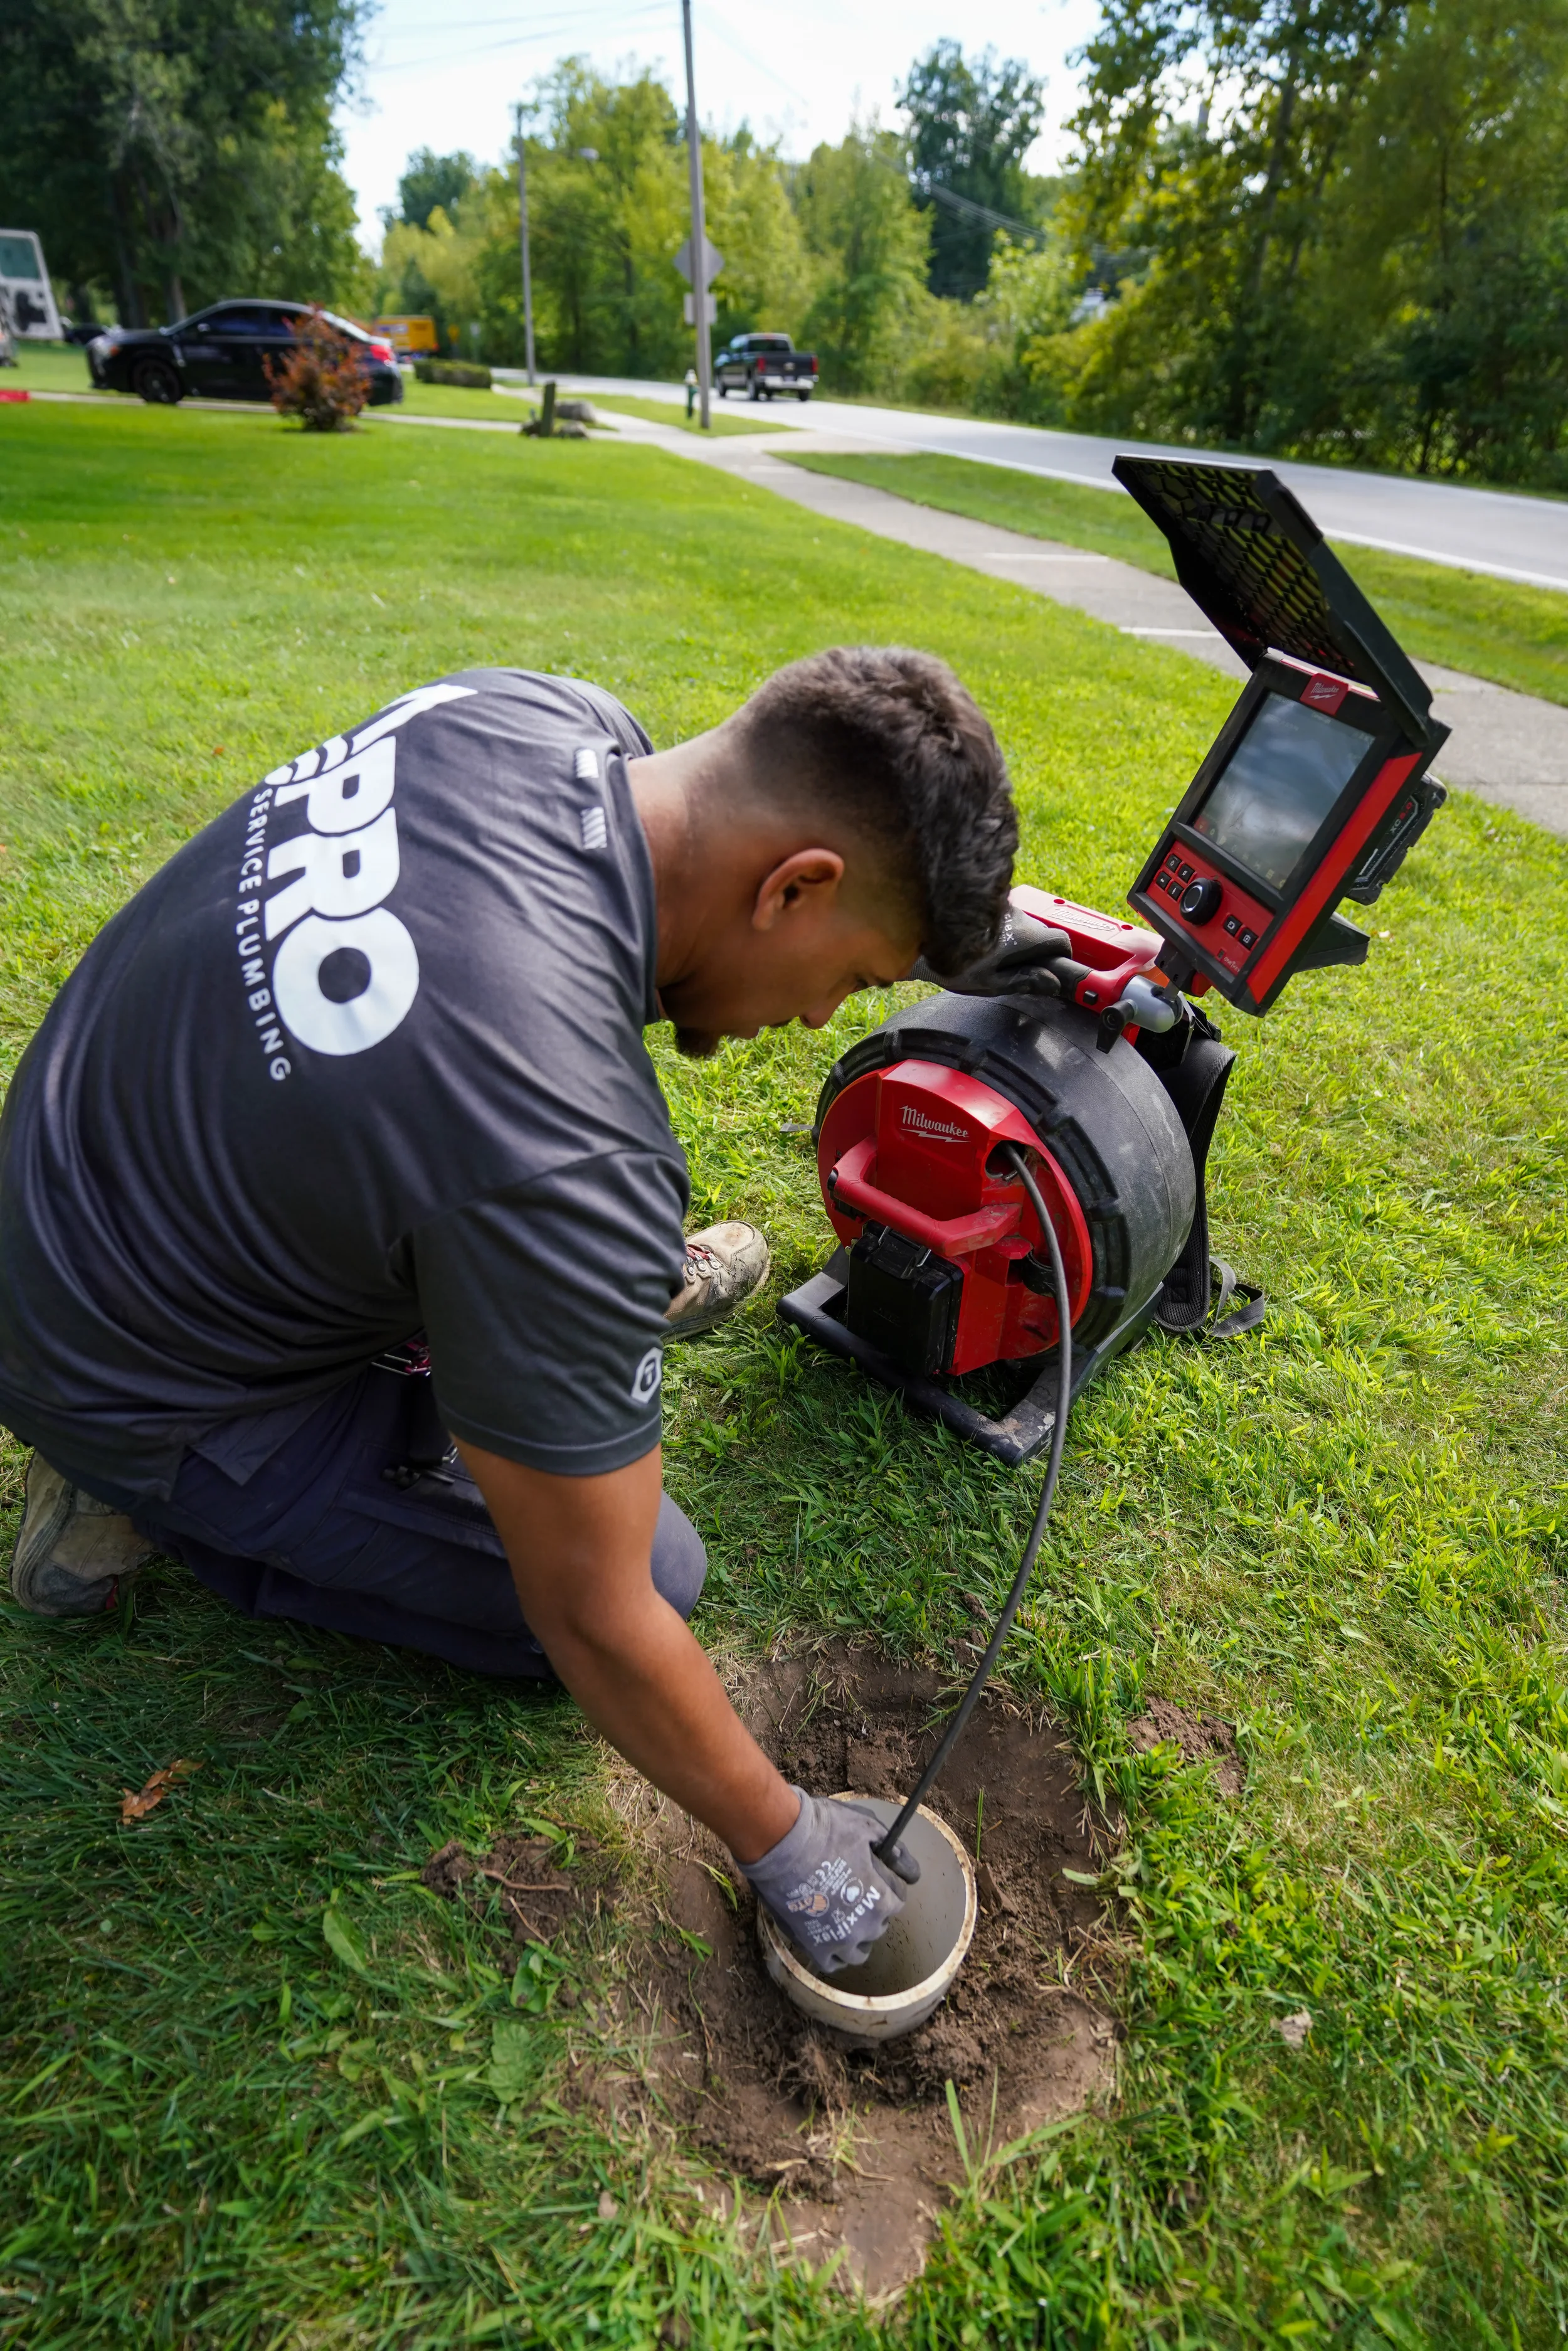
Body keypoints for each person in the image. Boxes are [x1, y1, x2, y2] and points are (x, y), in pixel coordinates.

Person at [0, 649, 1024, 1972]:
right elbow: (594, 1613)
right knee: (651, 1572)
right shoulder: (552, 1151)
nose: (823, 1010)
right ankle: (127, 1488)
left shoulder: (531, 715)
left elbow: (469, 1066)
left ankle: (579, 1305)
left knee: (505, 1213)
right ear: (796, 884)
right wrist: (797, 1850)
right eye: (854, 972)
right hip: (141, 1366)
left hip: (88, 1174)